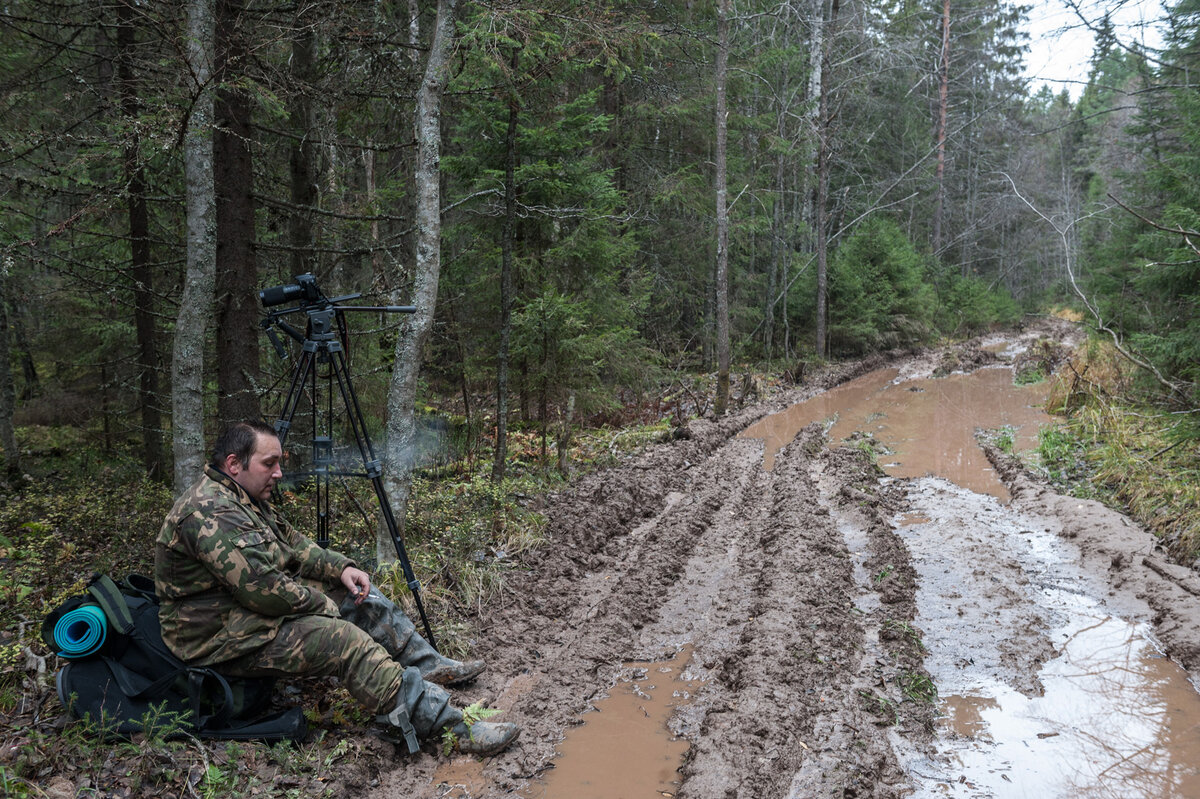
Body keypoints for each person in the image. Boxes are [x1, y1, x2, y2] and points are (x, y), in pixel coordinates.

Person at [154, 420, 518, 756]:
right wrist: (321, 604)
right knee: (343, 641)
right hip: (215, 636)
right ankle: (451, 727)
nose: (279, 473)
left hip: (238, 612)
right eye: (270, 464)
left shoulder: (241, 496)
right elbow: (264, 591)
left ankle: (427, 667)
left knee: (357, 594)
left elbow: (293, 544)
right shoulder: (210, 511)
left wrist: (341, 567)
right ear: (235, 464)